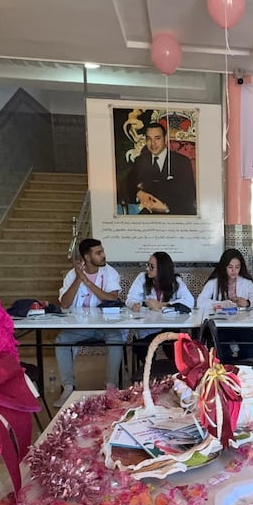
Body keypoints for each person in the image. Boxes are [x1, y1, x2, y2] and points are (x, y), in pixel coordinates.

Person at [56, 238, 127, 405]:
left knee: (116, 339)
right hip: (81, 325)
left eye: (102, 251)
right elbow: (64, 304)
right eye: (98, 253)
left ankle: (111, 386)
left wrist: (87, 282)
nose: (103, 255)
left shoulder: (110, 272)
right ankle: (68, 386)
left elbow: (112, 298)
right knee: (61, 340)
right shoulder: (72, 275)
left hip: (106, 324)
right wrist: (78, 279)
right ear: (87, 257)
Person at [126, 251, 194, 364]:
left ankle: (172, 372)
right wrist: (133, 305)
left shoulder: (175, 281)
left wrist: (161, 305)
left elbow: (189, 301)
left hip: (169, 327)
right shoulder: (142, 278)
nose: (147, 269)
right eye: (147, 265)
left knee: (174, 349)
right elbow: (130, 298)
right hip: (148, 328)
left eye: (151, 266)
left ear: (162, 269)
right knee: (144, 349)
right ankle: (149, 372)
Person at [197, 249, 253, 361]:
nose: (234, 271)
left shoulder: (247, 283)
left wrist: (247, 303)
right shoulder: (214, 282)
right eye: (230, 267)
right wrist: (220, 304)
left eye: (237, 267)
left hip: (242, 325)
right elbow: (200, 302)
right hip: (220, 325)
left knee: (250, 348)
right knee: (220, 349)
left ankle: (244, 368)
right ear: (224, 267)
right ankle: (225, 369)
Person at [120, 122, 196, 215]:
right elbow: (126, 184)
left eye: (157, 138)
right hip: (149, 212)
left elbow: (189, 196)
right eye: (149, 139)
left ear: (165, 139)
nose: (153, 143)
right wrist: (139, 194)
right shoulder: (141, 160)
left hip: (176, 212)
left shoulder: (181, 161)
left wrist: (166, 208)